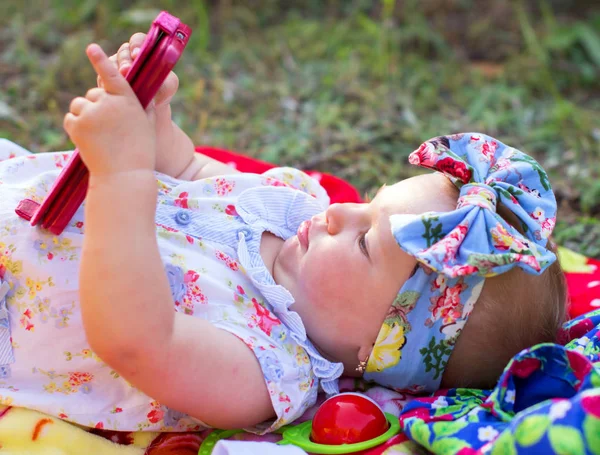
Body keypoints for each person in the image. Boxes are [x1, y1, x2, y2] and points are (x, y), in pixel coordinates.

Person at [0, 34, 566, 434]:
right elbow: (190, 173)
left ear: (378, 349)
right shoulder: (296, 205)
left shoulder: (266, 372)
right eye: (370, 204)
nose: (342, 215)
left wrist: (121, 173)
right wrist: (152, 119)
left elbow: (137, 339)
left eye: (365, 244)